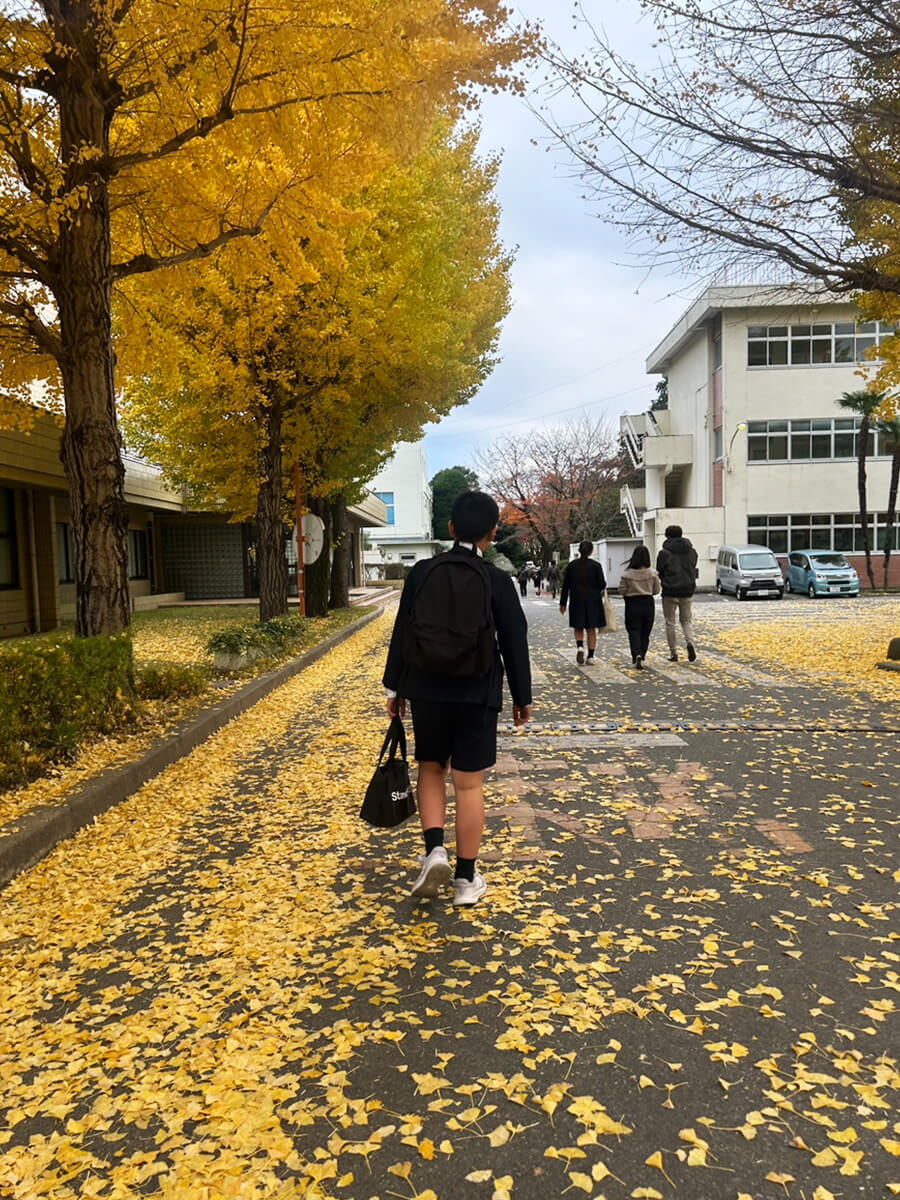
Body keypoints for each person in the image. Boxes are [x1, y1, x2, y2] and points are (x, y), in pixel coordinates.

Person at [383, 491, 533, 907]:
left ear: (450, 529)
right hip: (477, 692)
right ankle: (466, 880)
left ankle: (434, 850)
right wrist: (523, 697)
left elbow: (403, 631)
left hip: (427, 690)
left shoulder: (422, 573)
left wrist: (395, 688)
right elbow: (514, 641)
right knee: (469, 785)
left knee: (431, 770)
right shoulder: (497, 581)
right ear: (492, 533)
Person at [656, 524, 699, 662]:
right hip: (687, 590)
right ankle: (690, 643)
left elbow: (659, 570)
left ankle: (674, 653)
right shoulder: (691, 551)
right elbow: (693, 566)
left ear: (667, 536)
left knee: (670, 622)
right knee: (686, 621)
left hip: (669, 591)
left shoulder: (664, 553)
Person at [560, 541, 606, 664]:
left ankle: (580, 646)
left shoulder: (572, 566)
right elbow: (602, 584)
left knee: (578, 626)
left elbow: (566, 586)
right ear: (591, 551)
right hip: (593, 600)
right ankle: (590, 656)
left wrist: (563, 603)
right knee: (591, 628)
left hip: (577, 599)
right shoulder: (596, 566)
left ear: (579, 551)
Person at [618, 545, 661, 669]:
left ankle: (636, 654)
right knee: (645, 632)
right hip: (647, 603)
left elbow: (622, 590)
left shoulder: (627, 574)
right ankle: (642, 655)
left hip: (632, 604)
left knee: (633, 631)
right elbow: (657, 590)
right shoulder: (653, 573)